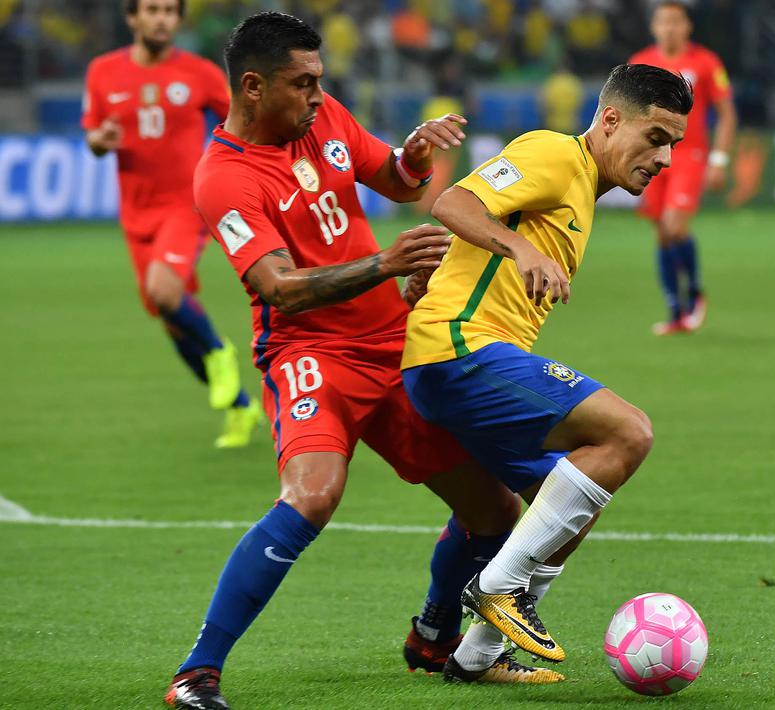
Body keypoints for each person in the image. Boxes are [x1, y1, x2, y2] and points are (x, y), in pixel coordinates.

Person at [164, 12, 533, 709]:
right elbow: (277, 288)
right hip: (309, 354)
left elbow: (393, 180)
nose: (316, 94)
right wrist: (385, 262)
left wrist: (417, 156)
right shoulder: (223, 178)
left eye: (318, 81)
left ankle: (433, 634)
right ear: (252, 86)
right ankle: (197, 672)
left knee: (493, 508)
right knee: (312, 494)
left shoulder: (323, 117)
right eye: (302, 83)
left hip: (394, 346)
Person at [401, 63, 692, 680]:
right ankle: (499, 587)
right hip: (461, 349)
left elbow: (486, 225)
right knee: (627, 433)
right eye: (657, 137)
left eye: (675, 144)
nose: (664, 158)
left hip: (468, 354)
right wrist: (521, 248)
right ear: (610, 120)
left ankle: (474, 654)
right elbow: (454, 201)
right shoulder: (555, 154)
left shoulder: (583, 190)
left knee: (566, 503)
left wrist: (446, 269)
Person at [82, 0, 260, 448]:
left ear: (178, 20)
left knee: (165, 292)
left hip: (186, 203)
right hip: (136, 212)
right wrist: (99, 140)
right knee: (171, 320)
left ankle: (220, 352)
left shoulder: (198, 73)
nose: (161, 18)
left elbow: (239, 120)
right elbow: (94, 135)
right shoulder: (103, 71)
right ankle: (241, 406)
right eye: (152, 10)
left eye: (169, 11)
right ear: (132, 18)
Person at [629, 0, 736, 335]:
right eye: (663, 22)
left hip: (688, 155)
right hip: (649, 156)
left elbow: (727, 113)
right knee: (662, 234)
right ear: (654, 27)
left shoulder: (704, 62)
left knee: (675, 227)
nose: (670, 28)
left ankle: (695, 293)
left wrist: (718, 160)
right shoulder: (639, 62)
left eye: (676, 21)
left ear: (687, 26)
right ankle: (676, 311)